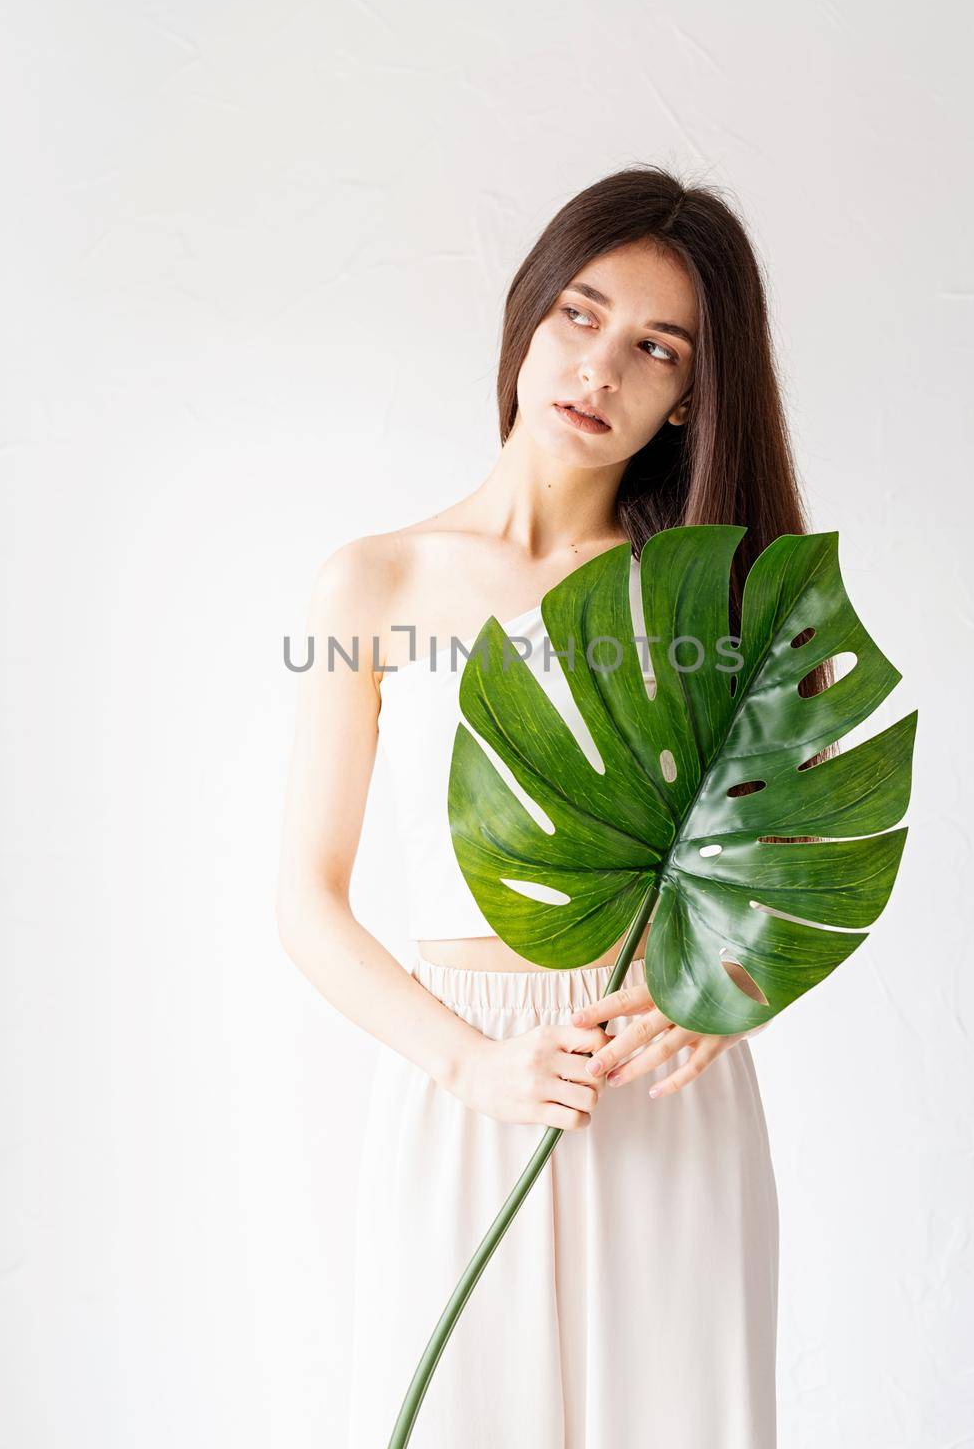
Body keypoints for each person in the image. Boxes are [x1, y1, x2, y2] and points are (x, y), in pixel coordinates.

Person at [276, 164, 827, 1447]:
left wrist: (733, 982)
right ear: (528, 315)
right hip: (464, 1076)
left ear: (692, 393)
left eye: (654, 347)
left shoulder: (711, 589)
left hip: (658, 1081)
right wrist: (468, 1060)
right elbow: (306, 896)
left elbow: (786, 856)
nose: (600, 369)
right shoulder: (375, 580)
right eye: (579, 315)